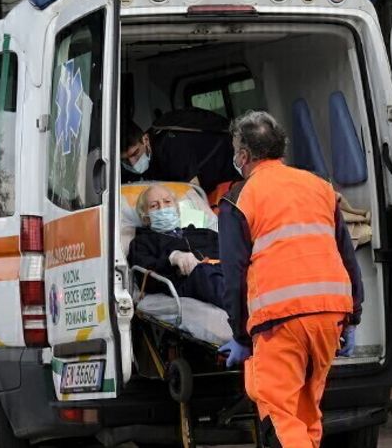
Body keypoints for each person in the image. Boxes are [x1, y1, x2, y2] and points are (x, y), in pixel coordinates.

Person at [217, 111, 364, 448]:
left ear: (244, 156)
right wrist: (353, 316)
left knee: (279, 415)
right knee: (307, 412)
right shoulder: (319, 187)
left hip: (279, 321)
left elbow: (234, 276)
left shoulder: (239, 198)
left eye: (236, 147)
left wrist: (241, 335)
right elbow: (346, 254)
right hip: (330, 316)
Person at [126, 184, 225, 306]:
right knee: (202, 272)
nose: (162, 208)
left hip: (224, 272)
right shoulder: (142, 243)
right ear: (145, 218)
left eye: (167, 202)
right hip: (189, 281)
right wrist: (172, 258)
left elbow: (232, 250)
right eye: (154, 206)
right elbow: (144, 277)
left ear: (177, 209)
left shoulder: (202, 233)